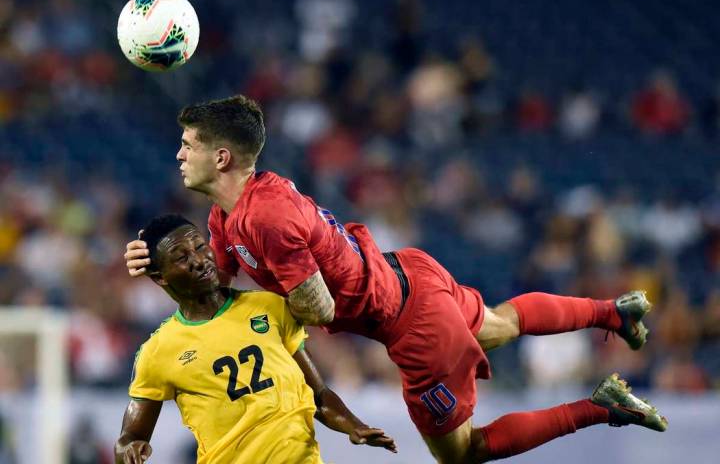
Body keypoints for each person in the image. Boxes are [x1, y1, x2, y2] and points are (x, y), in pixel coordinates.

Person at [124, 95, 667, 463]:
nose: (179, 153)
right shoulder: (226, 215)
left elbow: (319, 311)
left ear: (221, 157)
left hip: (412, 326)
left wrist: (266, 316)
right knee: (498, 324)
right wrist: (157, 265)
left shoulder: (266, 219)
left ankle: (601, 406)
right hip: (406, 269)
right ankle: (613, 312)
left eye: (188, 144)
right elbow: (213, 288)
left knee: (463, 453)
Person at [115, 214, 396, 464]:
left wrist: (354, 425)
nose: (199, 261)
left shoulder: (269, 307)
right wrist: (129, 449)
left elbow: (319, 394)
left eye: (200, 247)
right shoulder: (158, 351)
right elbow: (129, 437)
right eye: (181, 257)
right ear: (160, 277)